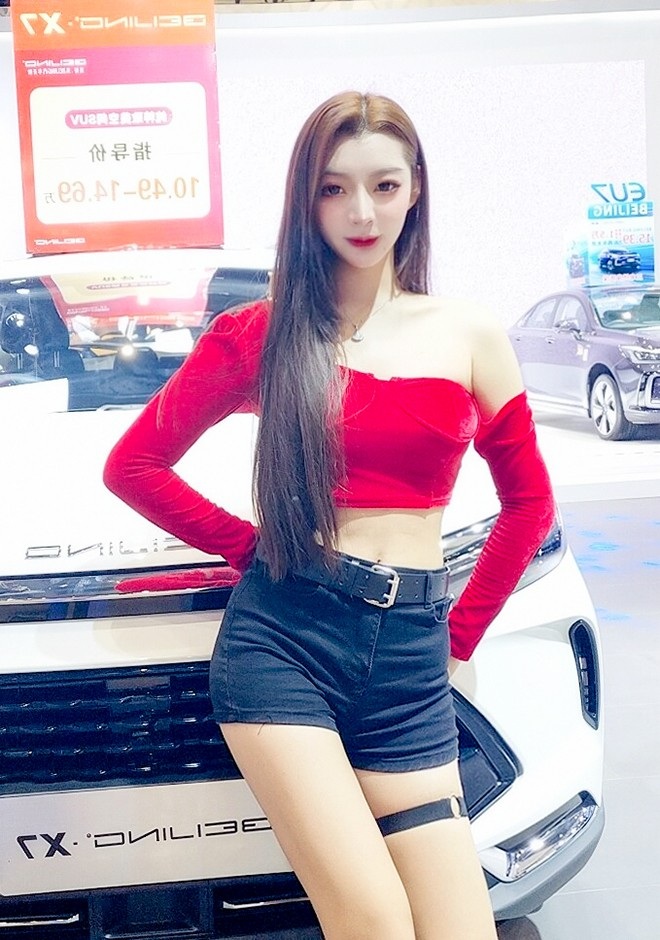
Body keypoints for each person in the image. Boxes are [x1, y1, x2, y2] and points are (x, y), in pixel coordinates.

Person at [104, 91, 555, 940]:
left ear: (415, 189)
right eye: (333, 189)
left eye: (383, 186)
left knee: (460, 927)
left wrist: (458, 637)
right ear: (305, 201)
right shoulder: (259, 335)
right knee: (373, 919)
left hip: (411, 655)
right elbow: (133, 466)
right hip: (285, 642)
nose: (361, 213)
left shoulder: (468, 332)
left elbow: (530, 504)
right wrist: (257, 551)